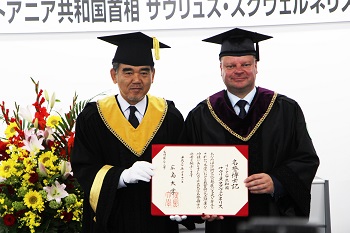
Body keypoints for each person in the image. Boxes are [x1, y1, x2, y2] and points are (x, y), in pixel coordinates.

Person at [179, 28, 320, 233]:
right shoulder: (201, 115)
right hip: (223, 223)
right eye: (230, 65)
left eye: (246, 64)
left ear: (256, 67)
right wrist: (200, 206)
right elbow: (188, 169)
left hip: (273, 220)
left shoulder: (285, 109)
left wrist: (277, 181)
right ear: (220, 68)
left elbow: (306, 158)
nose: (238, 70)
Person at [71, 32, 195, 233]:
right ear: (114, 75)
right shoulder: (93, 117)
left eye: (144, 72)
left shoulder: (170, 116)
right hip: (112, 222)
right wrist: (121, 176)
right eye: (128, 72)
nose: (136, 79)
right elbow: (84, 168)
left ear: (153, 76)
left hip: (157, 224)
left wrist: (185, 206)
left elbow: (183, 169)